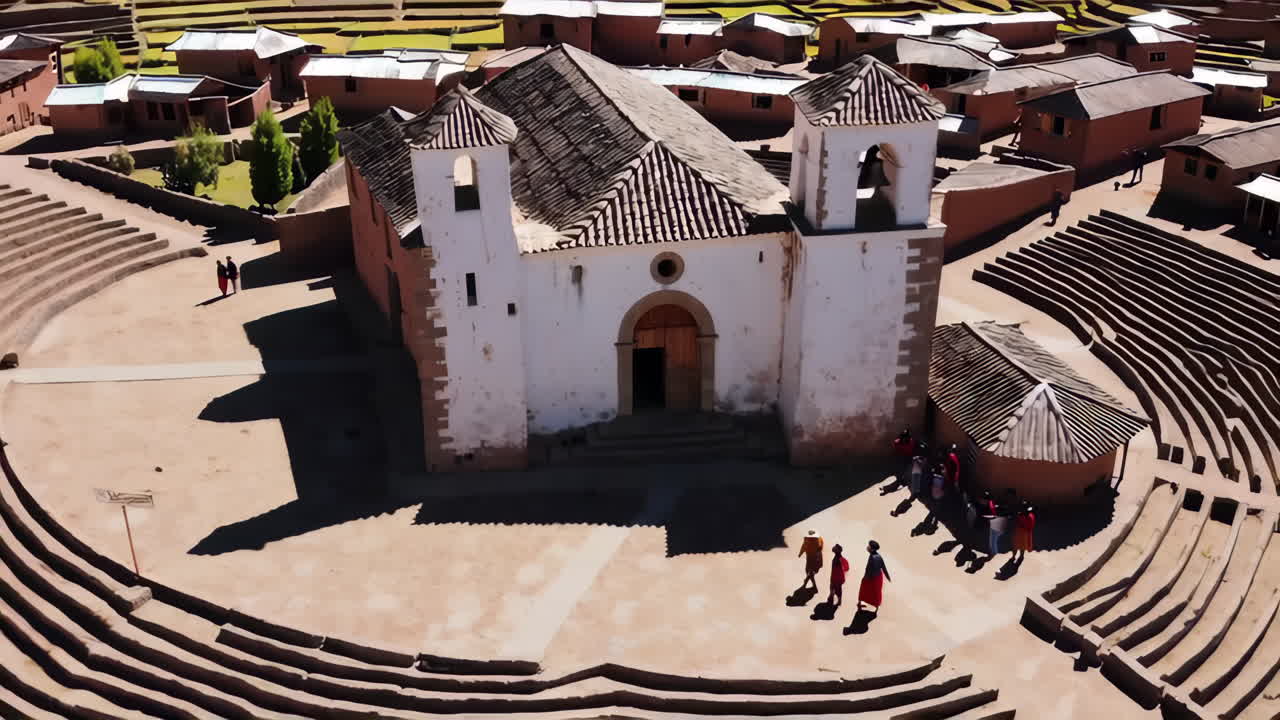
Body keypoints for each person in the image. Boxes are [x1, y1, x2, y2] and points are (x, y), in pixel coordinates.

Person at [858, 540, 891, 613]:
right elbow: (883, 567)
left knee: (864, 590)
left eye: (869, 546)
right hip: (878, 577)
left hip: (872, 578)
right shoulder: (879, 556)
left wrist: (865, 578)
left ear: (872, 549)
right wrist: (888, 577)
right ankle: (876, 607)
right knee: (876, 592)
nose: (868, 547)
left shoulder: (872, 558)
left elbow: (869, 570)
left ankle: (860, 603)